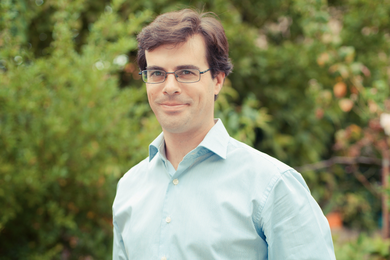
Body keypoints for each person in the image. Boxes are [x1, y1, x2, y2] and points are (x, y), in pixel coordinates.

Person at [112, 9, 336, 260]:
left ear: (218, 80)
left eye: (186, 72)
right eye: (157, 73)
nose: (170, 87)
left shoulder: (273, 186)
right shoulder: (129, 188)